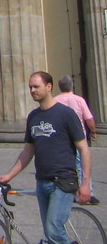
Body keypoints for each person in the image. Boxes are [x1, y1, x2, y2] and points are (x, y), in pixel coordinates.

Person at [0, 71, 92, 244]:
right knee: (49, 233)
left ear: (49, 87)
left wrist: (85, 184)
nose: (32, 90)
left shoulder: (66, 114)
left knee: (54, 229)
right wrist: (9, 175)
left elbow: (84, 149)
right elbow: (28, 151)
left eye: (36, 86)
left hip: (63, 180)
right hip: (42, 181)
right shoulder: (33, 116)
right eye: (30, 87)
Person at [54, 75, 98, 204]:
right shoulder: (79, 100)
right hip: (78, 137)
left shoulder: (55, 101)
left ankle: (68, 191)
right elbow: (88, 118)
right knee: (82, 165)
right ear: (71, 85)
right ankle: (88, 190)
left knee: (66, 165)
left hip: (62, 139)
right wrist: (93, 131)